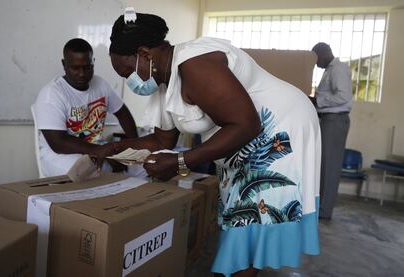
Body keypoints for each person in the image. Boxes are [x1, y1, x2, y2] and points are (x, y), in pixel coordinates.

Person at [107, 11, 321, 277]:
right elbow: (163, 139)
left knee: (248, 218)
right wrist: (116, 149)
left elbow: (246, 125)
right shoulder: (164, 83)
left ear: (145, 54)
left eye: (128, 73)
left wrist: (180, 162)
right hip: (244, 135)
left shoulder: (195, 64)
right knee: (239, 217)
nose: (130, 82)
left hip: (278, 125)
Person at [34, 38, 138, 177]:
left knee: (141, 166)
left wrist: (133, 148)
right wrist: (103, 152)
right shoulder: (51, 94)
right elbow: (58, 143)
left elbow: (123, 113)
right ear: (64, 65)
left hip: (95, 149)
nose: (82, 73)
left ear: (93, 62)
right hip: (61, 156)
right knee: (85, 171)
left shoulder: (100, 84)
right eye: (75, 68)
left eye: (87, 67)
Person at [310, 42, 353, 220]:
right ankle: (321, 207)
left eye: (315, 58)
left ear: (324, 53)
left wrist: (317, 101)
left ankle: (325, 211)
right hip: (328, 120)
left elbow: (343, 96)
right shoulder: (329, 70)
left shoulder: (338, 69)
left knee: (330, 166)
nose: (315, 63)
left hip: (335, 121)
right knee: (323, 165)